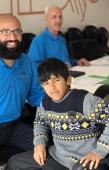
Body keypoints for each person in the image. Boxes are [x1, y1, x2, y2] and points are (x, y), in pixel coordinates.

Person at [8, 58, 109, 170]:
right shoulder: (45, 102)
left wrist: (100, 151)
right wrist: (39, 143)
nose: (52, 87)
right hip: (58, 155)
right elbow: (40, 122)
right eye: (46, 83)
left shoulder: (83, 100)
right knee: (14, 162)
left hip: (84, 160)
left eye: (56, 80)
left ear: (68, 80)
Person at [0, 14, 44, 163]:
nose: (12, 37)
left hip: (14, 126)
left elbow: (37, 96)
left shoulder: (27, 62)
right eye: (5, 32)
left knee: (46, 150)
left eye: (17, 31)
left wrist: (61, 104)